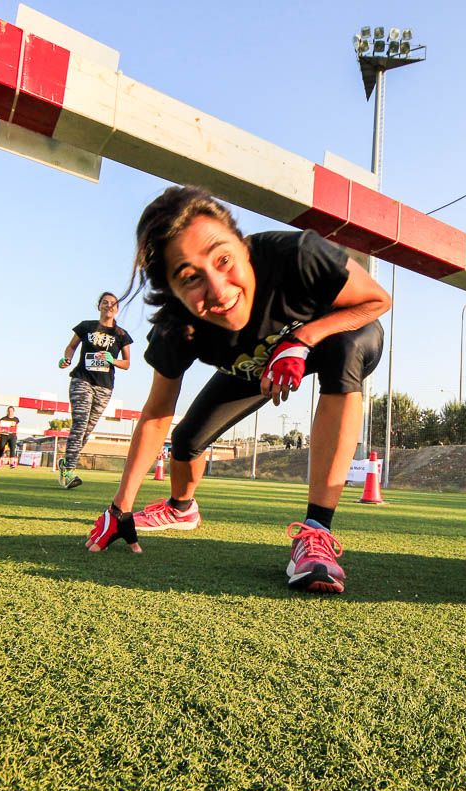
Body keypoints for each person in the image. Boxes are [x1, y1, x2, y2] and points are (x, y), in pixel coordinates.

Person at [85, 185, 391, 593]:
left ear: (243, 245)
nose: (219, 289)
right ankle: (181, 509)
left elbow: (375, 300)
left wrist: (302, 339)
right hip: (258, 365)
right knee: (185, 440)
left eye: (224, 259)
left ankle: (316, 534)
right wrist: (120, 505)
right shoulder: (177, 328)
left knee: (347, 350)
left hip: (336, 336)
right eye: (190, 278)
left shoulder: (297, 254)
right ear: (172, 292)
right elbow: (156, 414)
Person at [57, 292, 134, 489]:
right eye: (105, 302)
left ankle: (65, 463)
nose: (109, 306)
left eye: (113, 304)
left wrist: (112, 360)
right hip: (81, 380)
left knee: (87, 430)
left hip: (104, 386)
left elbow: (127, 364)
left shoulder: (122, 334)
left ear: (117, 309)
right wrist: (66, 359)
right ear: (99, 305)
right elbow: (71, 347)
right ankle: (68, 472)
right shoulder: (86, 326)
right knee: (80, 424)